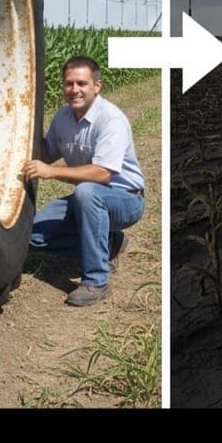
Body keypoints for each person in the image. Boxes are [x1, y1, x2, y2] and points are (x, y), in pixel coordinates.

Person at [22, 55, 145, 306]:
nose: (74, 90)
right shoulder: (63, 117)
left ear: (96, 86)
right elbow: (47, 152)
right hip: (87, 199)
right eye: (69, 84)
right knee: (32, 235)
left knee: (87, 191)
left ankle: (97, 281)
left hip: (125, 199)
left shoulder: (111, 120)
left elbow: (102, 174)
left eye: (82, 83)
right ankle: (110, 244)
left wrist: (51, 172)